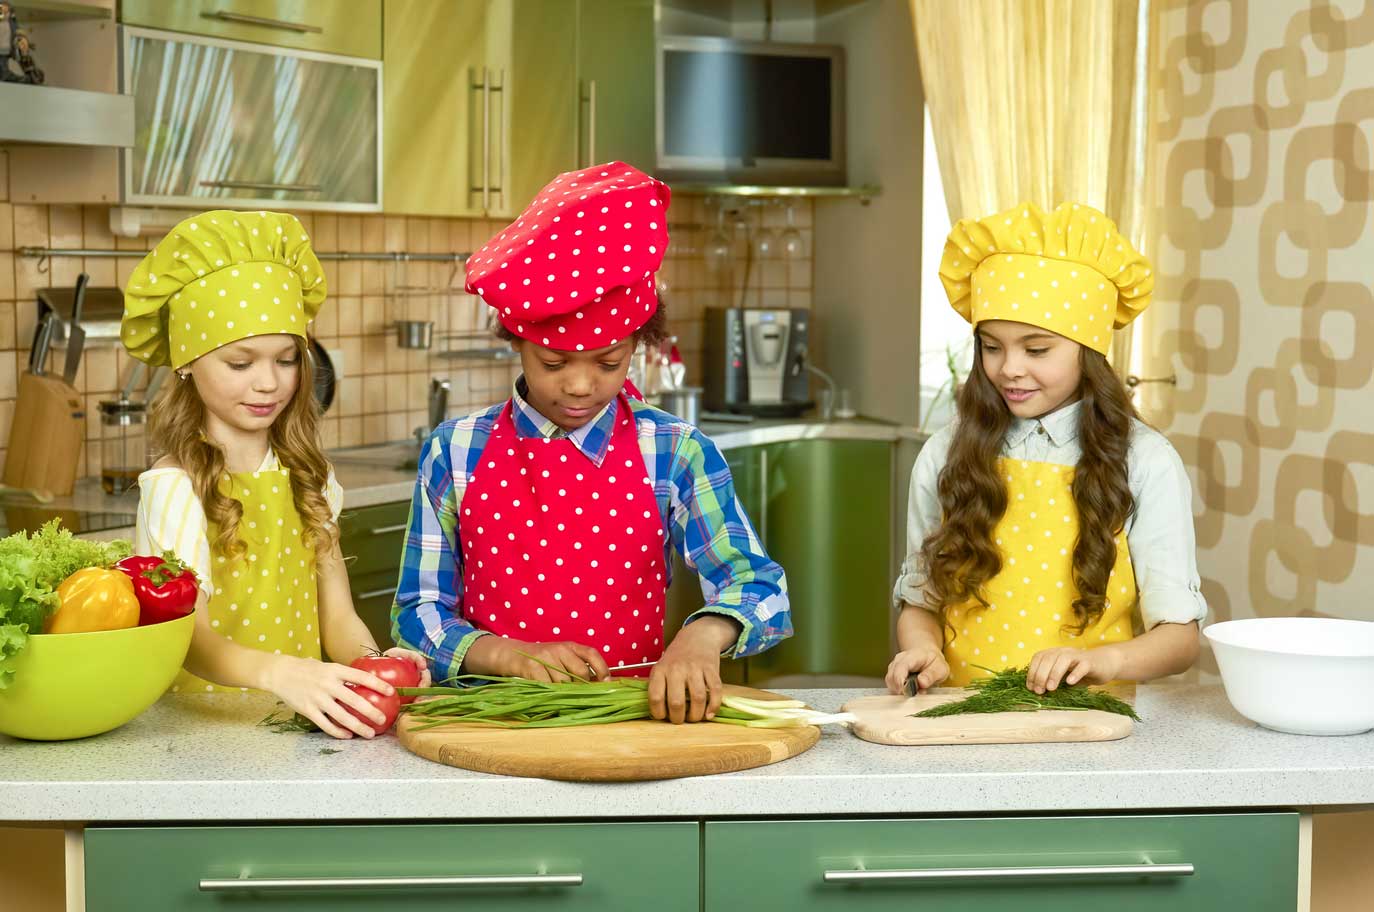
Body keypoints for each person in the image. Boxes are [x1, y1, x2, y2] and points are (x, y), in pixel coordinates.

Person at [393, 162, 792, 723]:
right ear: (517, 340)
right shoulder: (455, 450)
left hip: (630, 728)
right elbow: (418, 613)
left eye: (609, 362)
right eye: (552, 362)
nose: (580, 386)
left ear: (640, 342)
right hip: (489, 726)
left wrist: (703, 636)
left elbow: (758, 586)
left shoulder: (676, 451)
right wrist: (507, 654)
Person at [123, 209, 429, 738]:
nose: (268, 383)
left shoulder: (309, 475)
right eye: (241, 364)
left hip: (299, 724)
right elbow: (188, 642)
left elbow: (336, 618)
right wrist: (283, 672)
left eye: (286, 359)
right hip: (204, 733)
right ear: (187, 362)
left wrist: (372, 666)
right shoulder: (175, 489)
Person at [887, 201, 1204, 696]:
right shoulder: (947, 451)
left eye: (1036, 350)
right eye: (991, 346)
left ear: (1089, 351)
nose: (1009, 368)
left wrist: (1103, 660)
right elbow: (921, 604)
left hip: (1087, 727)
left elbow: (1180, 640)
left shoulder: (1146, 460)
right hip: (960, 720)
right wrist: (923, 648)